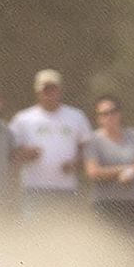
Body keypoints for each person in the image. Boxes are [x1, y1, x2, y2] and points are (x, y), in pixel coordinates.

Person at [10, 70, 91, 219]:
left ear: (59, 90)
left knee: (63, 232)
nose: (49, 94)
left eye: (53, 89)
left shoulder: (76, 117)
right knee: (33, 233)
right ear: (37, 92)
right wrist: (25, 154)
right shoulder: (23, 119)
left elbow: (87, 149)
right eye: (45, 90)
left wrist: (76, 162)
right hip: (33, 189)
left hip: (66, 189)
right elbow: (10, 152)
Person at [83, 95, 134, 239]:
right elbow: (93, 172)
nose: (109, 116)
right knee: (105, 250)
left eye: (113, 112)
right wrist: (123, 170)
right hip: (104, 204)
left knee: (133, 249)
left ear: (119, 114)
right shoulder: (93, 140)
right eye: (104, 114)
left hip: (132, 203)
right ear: (98, 118)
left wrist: (132, 171)